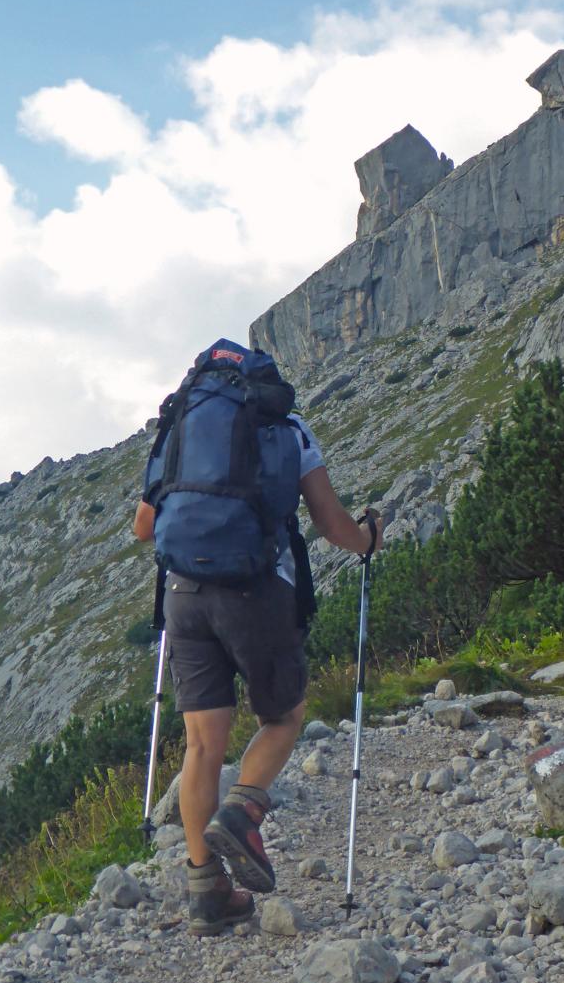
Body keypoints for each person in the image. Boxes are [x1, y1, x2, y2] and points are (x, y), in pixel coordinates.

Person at [132, 346, 382, 935]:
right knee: (284, 715)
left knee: (200, 748)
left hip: (184, 597)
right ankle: (243, 810)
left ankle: (207, 892)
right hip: (252, 592)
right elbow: (330, 523)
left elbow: (144, 528)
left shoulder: (177, 431)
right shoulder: (288, 429)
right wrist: (369, 538)